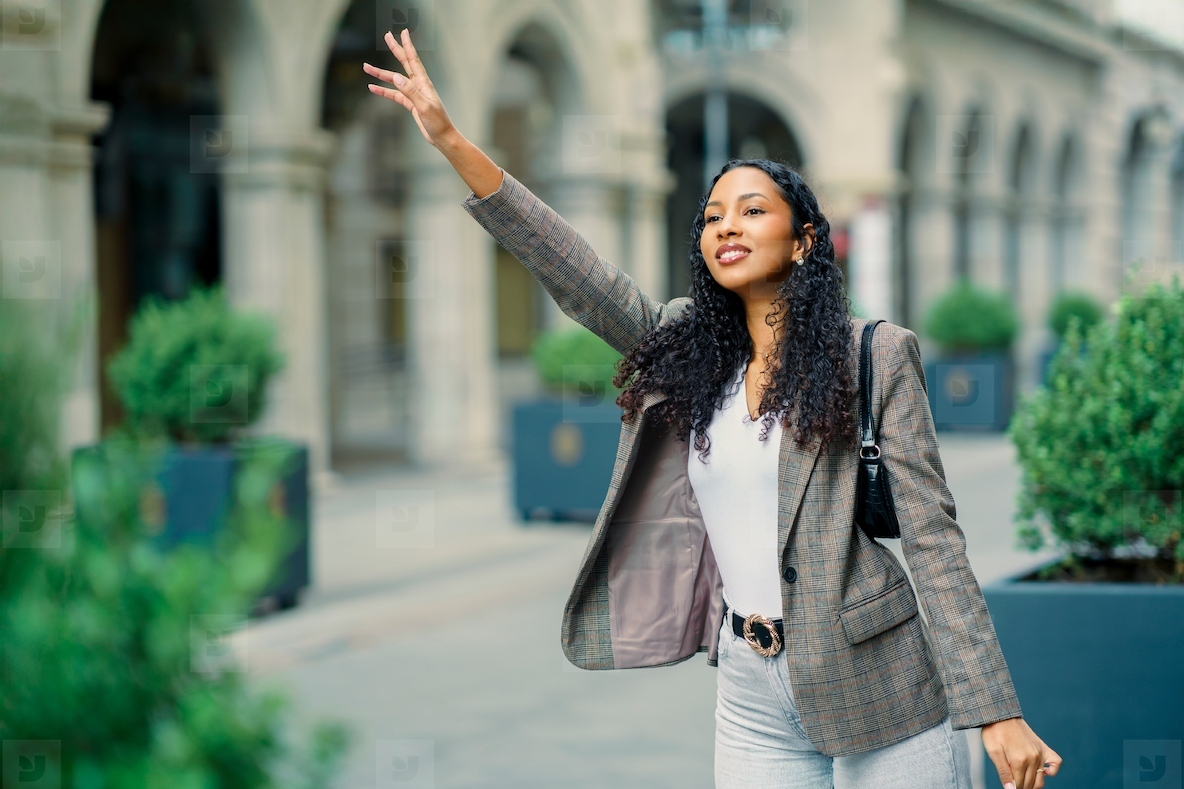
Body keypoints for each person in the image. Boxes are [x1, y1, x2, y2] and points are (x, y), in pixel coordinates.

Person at [363, 27, 1063, 789]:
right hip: (749, 684)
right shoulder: (684, 346)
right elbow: (576, 272)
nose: (726, 225)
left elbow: (934, 540)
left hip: (880, 682)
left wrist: (993, 708)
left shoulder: (877, 354)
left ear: (802, 242)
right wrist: (452, 142)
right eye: (712, 215)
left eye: (752, 210)